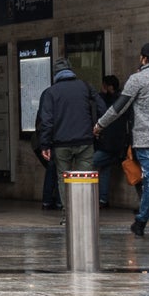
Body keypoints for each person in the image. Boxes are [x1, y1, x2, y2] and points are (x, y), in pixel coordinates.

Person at [96, 43, 149, 242]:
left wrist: (100, 124)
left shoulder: (137, 79)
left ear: (143, 58)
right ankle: (140, 222)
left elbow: (119, 107)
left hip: (145, 138)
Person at [32, 66, 102, 211]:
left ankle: (68, 213)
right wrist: (98, 128)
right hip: (85, 141)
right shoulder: (86, 87)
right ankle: (85, 212)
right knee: (86, 177)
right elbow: (101, 107)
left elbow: (46, 121)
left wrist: (44, 145)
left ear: (56, 75)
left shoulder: (51, 92)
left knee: (63, 178)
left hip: (61, 144)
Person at [94, 75, 131, 208]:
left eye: (103, 85)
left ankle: (91, 198)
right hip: (117, 144)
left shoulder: (109, 101)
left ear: (109, 87)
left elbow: (105, 113)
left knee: (89, 164)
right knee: (105, 169)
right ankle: (103, 199)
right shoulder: (122, 100)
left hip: (109, 144)